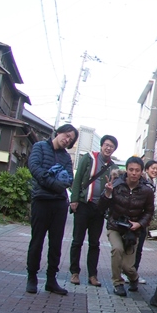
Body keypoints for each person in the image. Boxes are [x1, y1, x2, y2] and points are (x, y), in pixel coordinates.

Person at [26, 124, 79, 295]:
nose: (67, 140)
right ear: (59, 132)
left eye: (71, 139)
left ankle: (51, 279)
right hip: (41, 200)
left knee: (56, 243)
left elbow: (70, 178)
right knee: (37, 240)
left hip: (59, 203)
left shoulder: (66, 157)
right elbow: (34, 167)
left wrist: (60, 185)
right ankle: (32, 277)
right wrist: (54, 184)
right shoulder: (39, 147)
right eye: (66, 135)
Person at [98, 156, 154, 297]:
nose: (134, 173)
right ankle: (118, 283)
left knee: (127, 267)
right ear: (126, 170)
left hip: (132, 230)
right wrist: (107, 193)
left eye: (137, 170)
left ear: (141, 172)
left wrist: (139, 224)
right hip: (115, 226)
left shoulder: (147, 191)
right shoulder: (116, 185)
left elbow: (149, 212)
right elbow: (101, 207)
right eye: (131, 170)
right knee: (117, 250)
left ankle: (133, 278)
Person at [68, 134, 118, 287]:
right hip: (84, 204)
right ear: (102, 145)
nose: (108, 148)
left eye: (112, 146)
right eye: (107, 145)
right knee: (77, 240)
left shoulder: (113, 167)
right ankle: (75, 272)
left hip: (99, 208)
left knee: (94, 243)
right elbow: (77, 180)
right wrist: (74, 200)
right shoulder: (89, 158)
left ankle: (92, 275)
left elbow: (114, 188)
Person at [134, 158, 157, 283]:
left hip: (144, 219)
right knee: (133, 247)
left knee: (138, 248)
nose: (155, 171)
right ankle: (128, 272)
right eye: (153, 168)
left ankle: (133, 272)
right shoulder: (142, 182)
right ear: (146, 169)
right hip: (137, 218)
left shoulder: (152, 183)